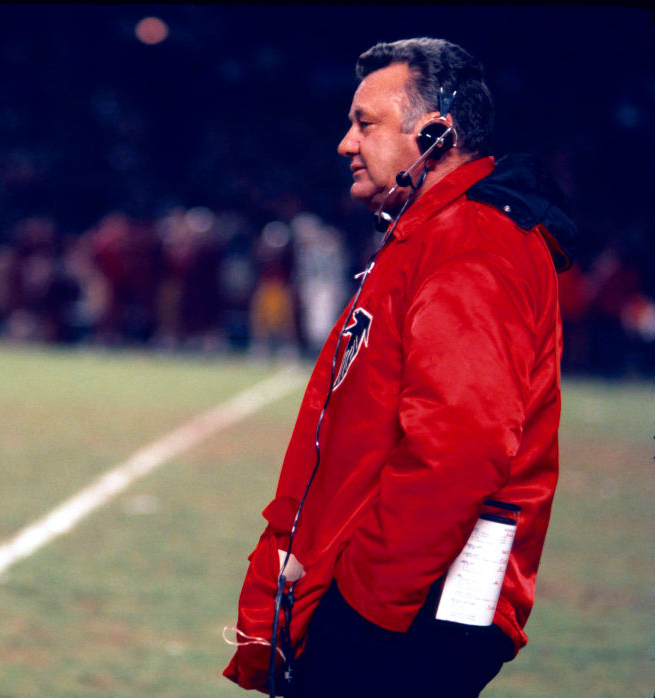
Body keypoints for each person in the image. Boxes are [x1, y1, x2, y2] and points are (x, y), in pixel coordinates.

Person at [224, 38, 576, 697]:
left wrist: (366, 600)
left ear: (436, 133)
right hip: (409, 596)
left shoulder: (473, 239)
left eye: (365, 123)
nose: (344, 144)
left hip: (410, 605)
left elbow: (461, 442)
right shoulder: (435, 233)